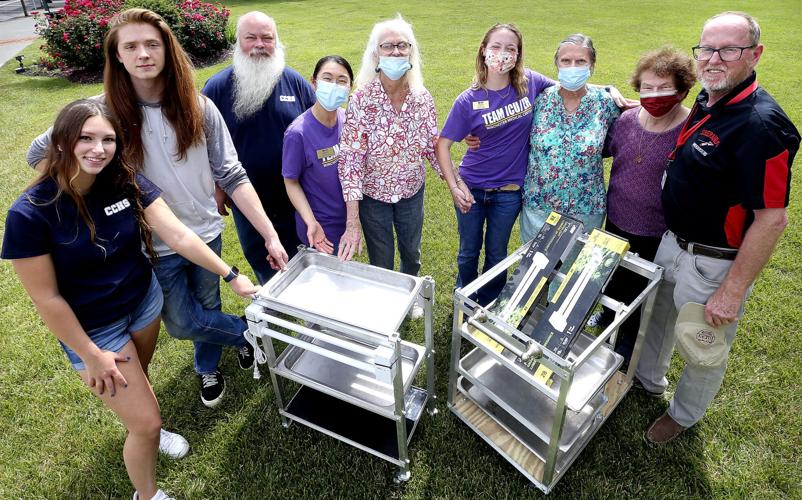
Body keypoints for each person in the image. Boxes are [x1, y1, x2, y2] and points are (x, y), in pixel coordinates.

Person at [27, 9, 288, 408]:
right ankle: (247, 331)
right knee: (182, 322)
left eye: (152, 44)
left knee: (207, 306)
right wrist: (95, 181)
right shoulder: (101, 113)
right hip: (149, 243)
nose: (143, 54)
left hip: (204, 234)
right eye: (130, 46)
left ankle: (207, 368)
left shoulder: (198, 107)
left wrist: (269, 233)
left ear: (167, 49)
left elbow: (233, 174)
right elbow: (37, 154)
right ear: (116, 55)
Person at [3, 100, 259, 500]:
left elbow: (178, 236)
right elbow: (47, 299)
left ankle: (149, 431)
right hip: (96, 330)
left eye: (107, 139)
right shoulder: (29, 214)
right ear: (61, 141)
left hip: (143, 303)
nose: (98, 149)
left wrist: (231, 275)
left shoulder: (124, 180)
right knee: (145, 422)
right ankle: (147, 493)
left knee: (140, 381)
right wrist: (89, 353)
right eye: (85, 138)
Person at [636, 11, 799, 444]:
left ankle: (683, 415)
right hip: (672, 243)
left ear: (755, 54)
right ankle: (646, 382)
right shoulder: (712, 99)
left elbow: (773, 218)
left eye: (729, 49)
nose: (713, 59)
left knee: (703, 346)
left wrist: (732, 290)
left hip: (713, 263)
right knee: (658, 321)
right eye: (706, 48)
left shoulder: (763, 126)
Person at [435, 24, 554, 305]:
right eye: (496, 47)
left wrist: (609, 90)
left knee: (498, 252)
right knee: (468, 250)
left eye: (510, 48)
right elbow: (442, 145)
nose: (503, 54)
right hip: (472, 187)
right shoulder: (468, 100)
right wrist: (454, 186)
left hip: (509, 192)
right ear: (484, 51)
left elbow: (568, 88)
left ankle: (488, 302)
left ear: (519, 54)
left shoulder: (531, 83)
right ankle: (464, 294)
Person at [593, 46, 695, 364]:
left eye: (664, 88)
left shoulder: (690, 130)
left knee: (642, 288)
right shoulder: (625, 121)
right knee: (611, 274)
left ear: (682, 89)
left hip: (657, 229)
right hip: (617, 218)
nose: (654, 95)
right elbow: (602, 148)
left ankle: (628, 340)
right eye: (647, 88)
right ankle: (608, 317)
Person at [203, 11, 316, 284]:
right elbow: (203, 144)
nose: (259, 44)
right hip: (246, 196)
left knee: (303, 252)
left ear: (277, 42)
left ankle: (306, 298)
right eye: (250, 37)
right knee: (261, 255)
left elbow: (317, 130)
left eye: (267, 38)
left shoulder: (295, 82)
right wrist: (217, 187)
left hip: (296, 192)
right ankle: (274, 299)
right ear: (237, 43)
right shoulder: (217, 88)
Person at [338, 15, 443, 274]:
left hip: (411, 190)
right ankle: (386, 300)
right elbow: (351, 160)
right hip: (374, 197)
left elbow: (432, 145)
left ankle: (411, 293)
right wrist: (352, 223)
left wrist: (455, 181)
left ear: (411, 51)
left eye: (402, 45)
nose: (396, 51)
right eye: (388, 46)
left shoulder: (422, 97)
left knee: (411, 251)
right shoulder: (361, 99)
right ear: (376, 53)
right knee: (381, 259)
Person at [520, 33, 620, 242]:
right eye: (566, 61)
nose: (572, 67)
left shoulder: (606, 103)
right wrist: (474, 135)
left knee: (574, 273)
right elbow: (508, 127)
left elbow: (640, 118)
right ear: (556, 64)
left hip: (586, 208)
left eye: (581, 61)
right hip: (539, 206)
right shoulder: (538, 101)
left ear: (592, 65)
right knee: (535, 271)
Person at [282, 55, 353, 255]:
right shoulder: (298, 134)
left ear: (350, 87)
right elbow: (291, 182)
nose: (334, 85)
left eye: (342, 81)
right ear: (314, 83)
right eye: (327, 79)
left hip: (348, 221)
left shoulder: (348, 120)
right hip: (320, 228)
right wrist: (311, 222)